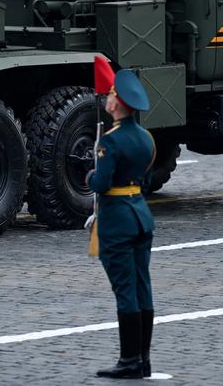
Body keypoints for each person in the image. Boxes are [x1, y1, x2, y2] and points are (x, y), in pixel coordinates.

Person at [86, 69, 156, 379]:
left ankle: (129, 361)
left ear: (118, 104)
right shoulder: (145, 137)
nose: (108, 98)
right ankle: (143, 358)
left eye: (112, 95)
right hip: (141, 215)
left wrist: (90, 175)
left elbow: (101, 184)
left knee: (125, 290)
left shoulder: (109, 142)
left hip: (117, 221)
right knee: (142, 287)